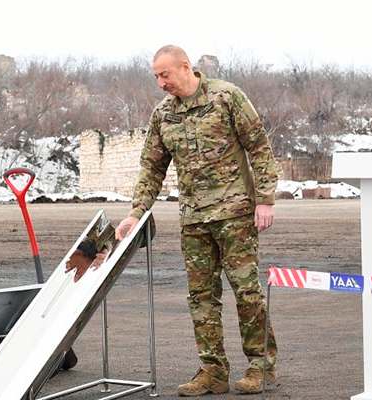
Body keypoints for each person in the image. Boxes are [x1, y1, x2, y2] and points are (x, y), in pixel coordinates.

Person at [115, 45, 279, 396]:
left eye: (165, 75)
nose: (160, 83)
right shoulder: (163, 115)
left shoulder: (226, 97)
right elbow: (152, 167)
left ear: (185, 68)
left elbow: (259, 148)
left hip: (235, 213)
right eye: (156, 77)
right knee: (201, 297)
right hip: (194, 219)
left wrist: (264, 200)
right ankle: (212, 370)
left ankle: (260, 366)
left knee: (247, 291)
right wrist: (136, 212)